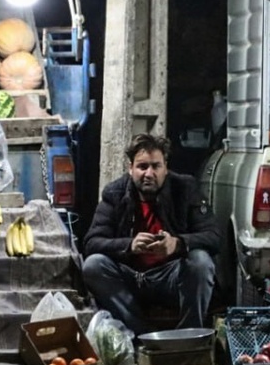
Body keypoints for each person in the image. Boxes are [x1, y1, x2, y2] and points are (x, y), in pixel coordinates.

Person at [81, 133, 221, 336]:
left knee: (200, 261)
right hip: (131, 276)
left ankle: (189, 337)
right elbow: (92, 242)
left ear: (166, 167)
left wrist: (177, 243)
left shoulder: (185, 188)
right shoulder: (114, 193)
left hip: (170, 276)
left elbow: (213, 236)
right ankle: (141, 335)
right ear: (131, 169)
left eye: (156, 166)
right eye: (142, 166)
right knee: (93, 265)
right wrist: (129, 246)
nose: (149, 173)